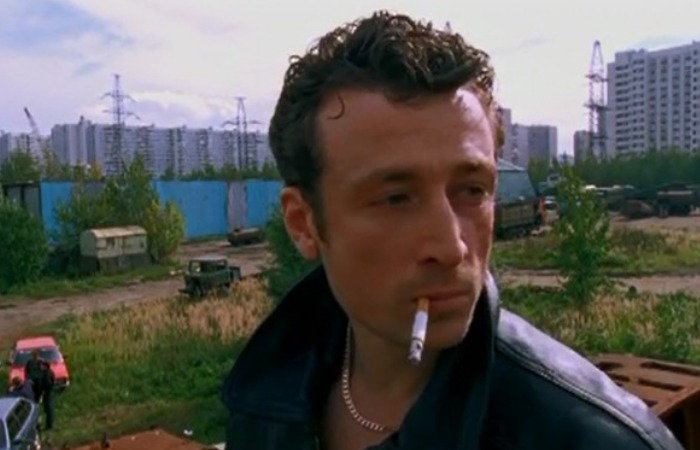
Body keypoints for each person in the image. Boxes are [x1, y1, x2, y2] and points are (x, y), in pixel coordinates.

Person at [221, 11, 683, 450]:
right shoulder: (268, 391)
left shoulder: (592, 439)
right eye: (395, 198)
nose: (451, 247)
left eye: (472, 191)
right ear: (304, 224)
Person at [38, 360, 55, 431]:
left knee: (49, 408)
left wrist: (43, 390)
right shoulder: (50, 372)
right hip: (49, 392)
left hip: (47, 393)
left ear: (45, 366)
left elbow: (48, 384)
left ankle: (49, 425)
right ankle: (49, 424)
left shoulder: (46, 374)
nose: (40, 366)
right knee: (48, 408)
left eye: (42, 365)